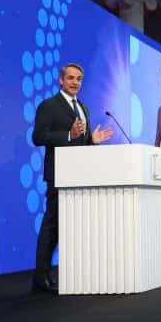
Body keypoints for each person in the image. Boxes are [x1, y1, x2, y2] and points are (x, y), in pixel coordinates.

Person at [32, 63, 113, 293]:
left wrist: (91, 141)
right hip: (59, 174)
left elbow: (80, 141)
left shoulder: (83, 108)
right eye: (70, 78)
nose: (75, 82)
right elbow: (38, 137)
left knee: (71, 227)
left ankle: (70, 274)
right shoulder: (49, 105)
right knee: (53, 225)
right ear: (61, 80)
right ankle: (40, 276)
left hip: (80, 175)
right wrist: (68, 134)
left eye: (78, 79)